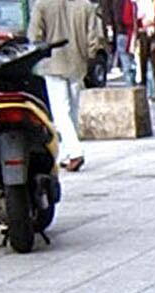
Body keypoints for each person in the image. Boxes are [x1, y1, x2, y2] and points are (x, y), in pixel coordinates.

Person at [30, 0, 106, 172]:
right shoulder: (86, 6)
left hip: (52, 63)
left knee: (60, 111)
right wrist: (89, 55)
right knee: (72, 109)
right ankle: (66, 154)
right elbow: (94, 37)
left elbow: (35, 36)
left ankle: (74, 151)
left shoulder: (42, 5)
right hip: (77, 63)